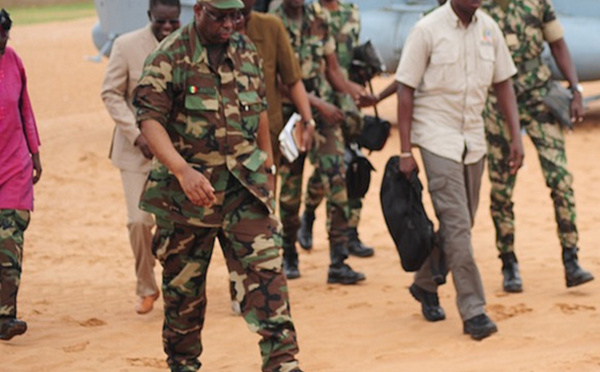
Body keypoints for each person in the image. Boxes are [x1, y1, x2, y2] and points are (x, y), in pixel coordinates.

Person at [132, 0, 302, 370]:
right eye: (220, 17)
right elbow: (149, 120)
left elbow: (257, 108)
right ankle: (183, 364)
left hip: (244, 192)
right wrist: (182, 171)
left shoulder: (245, 50)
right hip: (188, 201)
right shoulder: (169, 56)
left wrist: (268, 161)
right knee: (184, 299)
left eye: (235, 16)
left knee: (269, 279)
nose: (229, 24)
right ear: (199, 10)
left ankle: (283, 364)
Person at [395, 0, 524, 340]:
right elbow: (404, 88)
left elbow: (503, 84)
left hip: (473, 140)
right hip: (436, 137)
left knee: (461, 224)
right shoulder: (427, 30)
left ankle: (424, 283)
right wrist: (405, 150)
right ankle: (474, 309)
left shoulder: (488, 28)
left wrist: (516, 137)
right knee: (458, 225)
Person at [480, 0, 594, 292]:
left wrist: (575, 89)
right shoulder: (478, 7)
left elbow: (558, 45)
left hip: (539, 96)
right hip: (497, 103)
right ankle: (509, 264)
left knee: (561, 181)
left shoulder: (537, 3)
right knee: (502, 188)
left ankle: (571, 260)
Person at [272, 0, 366, 283]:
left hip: (325, 109)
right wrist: (316, 105)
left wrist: (350, 95)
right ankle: (289, 251)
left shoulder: (319, 17)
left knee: (337, 179)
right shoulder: (274, 23)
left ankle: (338, 261)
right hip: (291, 114)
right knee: (290, 191)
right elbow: (278, 81)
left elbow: (332, 68)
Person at [101, 0, 181, 315]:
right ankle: (147, 287)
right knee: (138, 221)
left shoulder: (187, 47)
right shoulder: (125, 46)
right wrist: (136, 134)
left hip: (176, 154)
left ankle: (176, 286)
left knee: (173, 226)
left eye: (172, 21)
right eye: (160, 21)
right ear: (149, 16)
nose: (167, 27)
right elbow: (110, 93)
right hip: (136, 152)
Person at [297, 0, 375, 258]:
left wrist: (361, 77)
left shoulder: (351, 11)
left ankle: (351, 233)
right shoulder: (309, 14)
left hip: (347, 102)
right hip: (319, 103)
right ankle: (308, 216)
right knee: (329, 169)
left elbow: (347, 60)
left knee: (354, 166)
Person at [0, 8, 42, 341]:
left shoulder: (13, 60)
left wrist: (35, 153)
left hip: (15, 164)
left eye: (4, 34)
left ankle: (5, 317)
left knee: (10, 240)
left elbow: (23, 107)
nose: (1, 41)